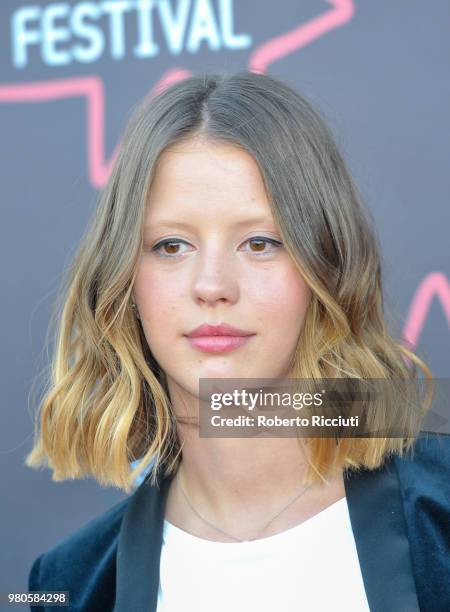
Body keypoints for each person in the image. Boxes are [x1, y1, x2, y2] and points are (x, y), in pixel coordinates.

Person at [26, 71, 450, 612]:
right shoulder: (68, 586)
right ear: (123, 279)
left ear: (326, 265)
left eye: (259, 242)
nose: (213, 287)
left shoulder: (439, 513)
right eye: (171, 245)